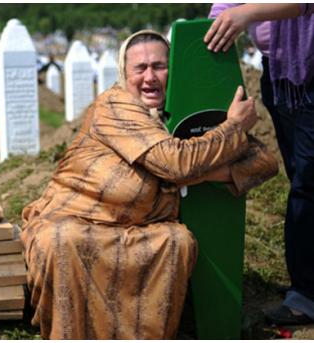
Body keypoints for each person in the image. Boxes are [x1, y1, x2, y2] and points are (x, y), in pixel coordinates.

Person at [20, 30, 278, 339]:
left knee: (176, 241)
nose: (150, 77)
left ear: (175, 71)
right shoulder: (115, 106)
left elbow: (264, 163)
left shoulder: (181, 118)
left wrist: (199, 171)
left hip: (140, 229)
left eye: (159, 66)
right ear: (124, 74)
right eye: (140, 68)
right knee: (63, 239)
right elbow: (174, 163)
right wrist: (232, 128)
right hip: (77, 217)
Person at [207, 3, 314, 326]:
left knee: (308, 185)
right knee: (302, 179)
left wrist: (246, 14)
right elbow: (226, 5)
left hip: (308, 76)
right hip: (282, 75)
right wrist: (211, 26)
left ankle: (307, 295)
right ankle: (307, 284)